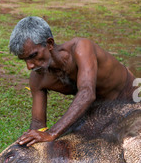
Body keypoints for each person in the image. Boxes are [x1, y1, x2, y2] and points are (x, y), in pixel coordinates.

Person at [9, 16, 137, 146]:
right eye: (24, 60)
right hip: (98, 110)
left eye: (33, 56)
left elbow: (87, 93)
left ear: (49, 44)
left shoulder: (81, 48)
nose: (29, 66)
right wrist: (32, 138)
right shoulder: (38, 78)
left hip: (131, 96)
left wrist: (52, 133)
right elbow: (38, 124)